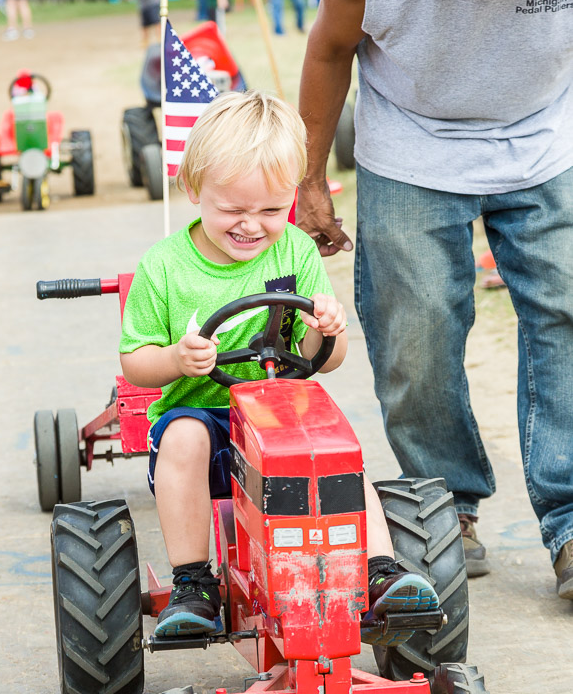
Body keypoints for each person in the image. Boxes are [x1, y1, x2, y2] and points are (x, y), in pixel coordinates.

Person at [297, 0, 573, 595]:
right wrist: (311, 176)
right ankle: (443, 504)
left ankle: (572, 517)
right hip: (411, 136)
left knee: (566, 312)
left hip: (544, 132)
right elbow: (328, 48)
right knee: (413, 325)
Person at [119, 90, 439, 638]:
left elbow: (326, 362)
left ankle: (380, 569)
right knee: (184, 439)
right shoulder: (164, 266)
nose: (252, 225)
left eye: (270, 210)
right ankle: (194, 583)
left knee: (337, 444)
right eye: (234, 210)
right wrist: (176, 358)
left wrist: (324, 332)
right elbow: (135, 363)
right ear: (195, 189)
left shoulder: (296, 251)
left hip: (280, 412)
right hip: (205, 417)